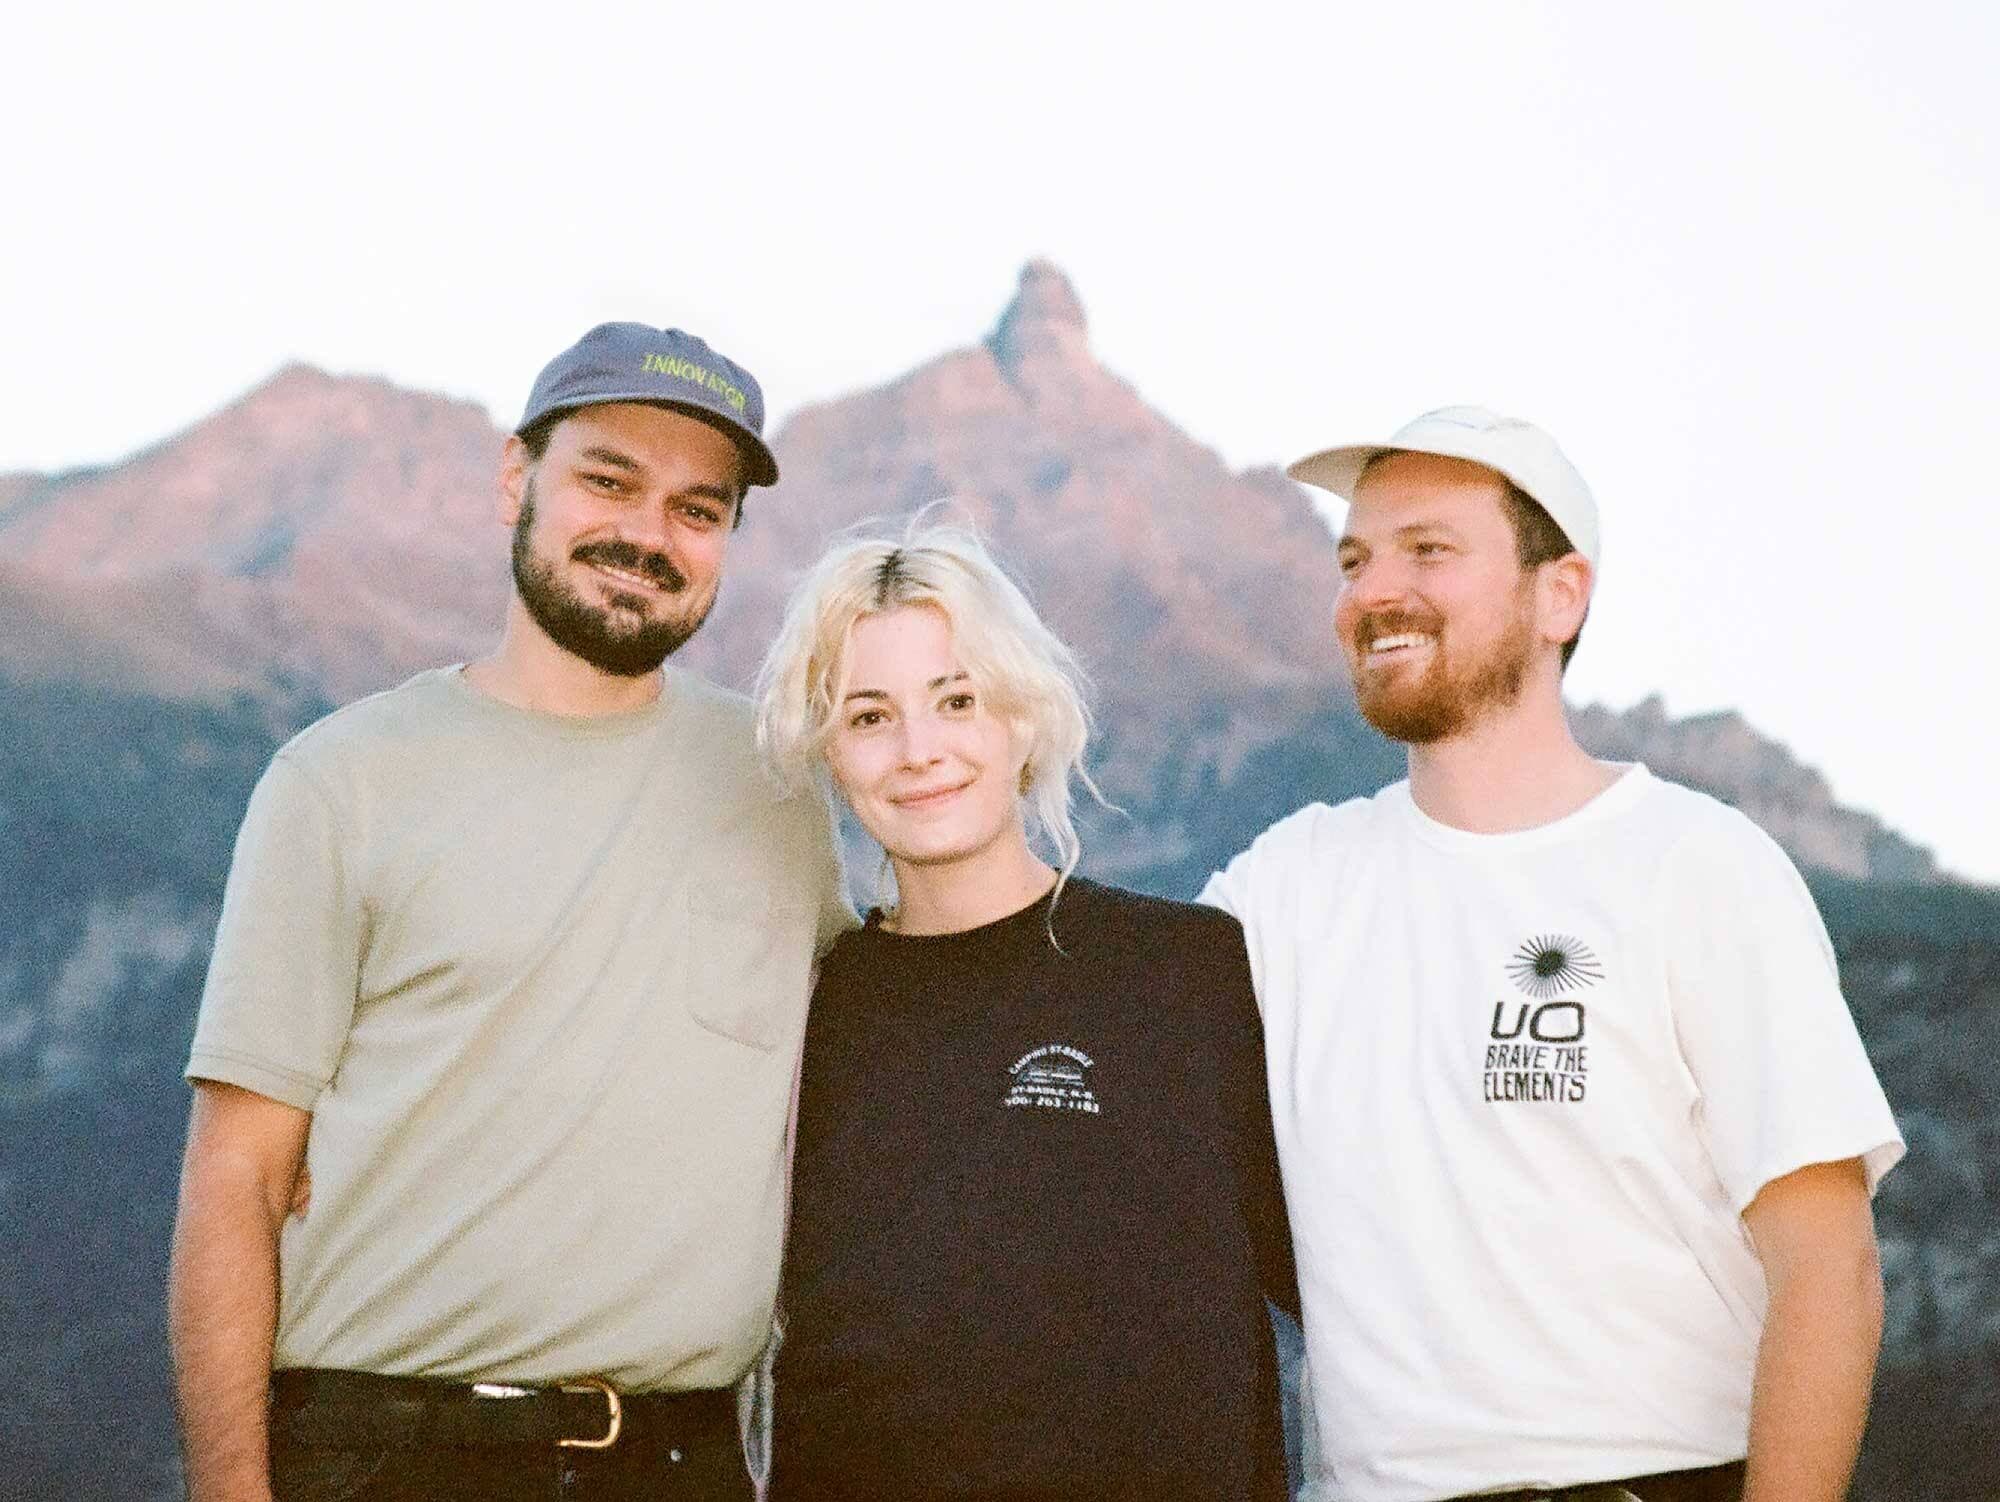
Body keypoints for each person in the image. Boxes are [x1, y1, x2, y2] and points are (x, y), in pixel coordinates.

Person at [169, 322, 852, 1502]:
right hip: (390, 1451)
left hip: (678, 1461)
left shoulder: (780, 791)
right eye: (607, 479)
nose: (647, 534)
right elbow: (235, 1179)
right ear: (513, 479)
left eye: (698, 508)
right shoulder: (341, 780)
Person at [1202, 406, 1905, 1502]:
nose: (1372, 591)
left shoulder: (1694, 864)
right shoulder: (1285, 884)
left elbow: (1828, 1269)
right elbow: (1085, 1005)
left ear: (1557, 593)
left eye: (1427, 549)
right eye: (1353, 558)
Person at [752, 520, 1298, 1501]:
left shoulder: (1185, 971)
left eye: (954, 699)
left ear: (1023, 717)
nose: (919, 751)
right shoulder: (805, 1011)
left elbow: (1336, 1277)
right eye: (869, 716)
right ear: (827, 750)